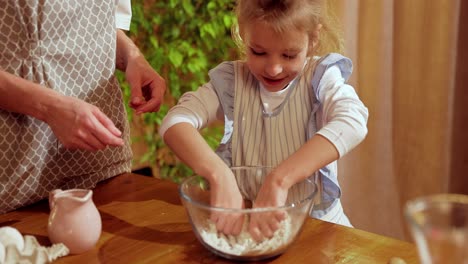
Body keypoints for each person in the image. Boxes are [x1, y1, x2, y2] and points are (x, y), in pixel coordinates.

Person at [160, 0, 368, 241]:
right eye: (258, 52)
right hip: (251, 227)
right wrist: (218, 174)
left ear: (312, 39)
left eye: (289, 55)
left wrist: (279, 180)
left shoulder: (320, 77)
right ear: (242, 34)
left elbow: (352, 121)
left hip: (320, 227)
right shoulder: (232, 82)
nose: (274, 68)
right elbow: (175, 121)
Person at [0, 0, 165, 214]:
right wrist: (49, 108)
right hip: (15, 171)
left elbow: (101, 24)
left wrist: (132, 56)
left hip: (101, 160)